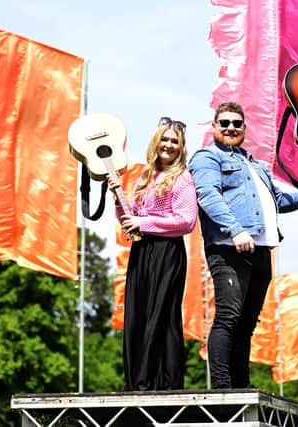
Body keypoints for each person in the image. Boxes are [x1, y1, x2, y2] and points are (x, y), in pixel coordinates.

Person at [188, 101, 298, 388]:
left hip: (262, 249)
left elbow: (278, 201)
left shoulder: (255, 164)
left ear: (244, 129)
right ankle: (221, 388)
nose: (231, 127)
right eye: (225, 123)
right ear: (215, 127)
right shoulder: (207, 158)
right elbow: (208, 196)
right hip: (230, 248)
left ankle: (240, 385)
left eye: (236, 123)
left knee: (247, 321)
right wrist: (235, 230)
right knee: (229, 315)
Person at [109, 116, 198, 391]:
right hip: (142, 251)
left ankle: (162, 383)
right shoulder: (146, 176)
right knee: (137, 312)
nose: (169, 145)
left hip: (166, 253)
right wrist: (117, 198)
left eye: (175, 141)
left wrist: (144, 223)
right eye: (165, 139)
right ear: (156, 142)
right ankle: (137, 381)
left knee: (161, 315)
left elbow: (186, 221)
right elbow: (130, 218)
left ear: (181, 147)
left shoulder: (182, 178)